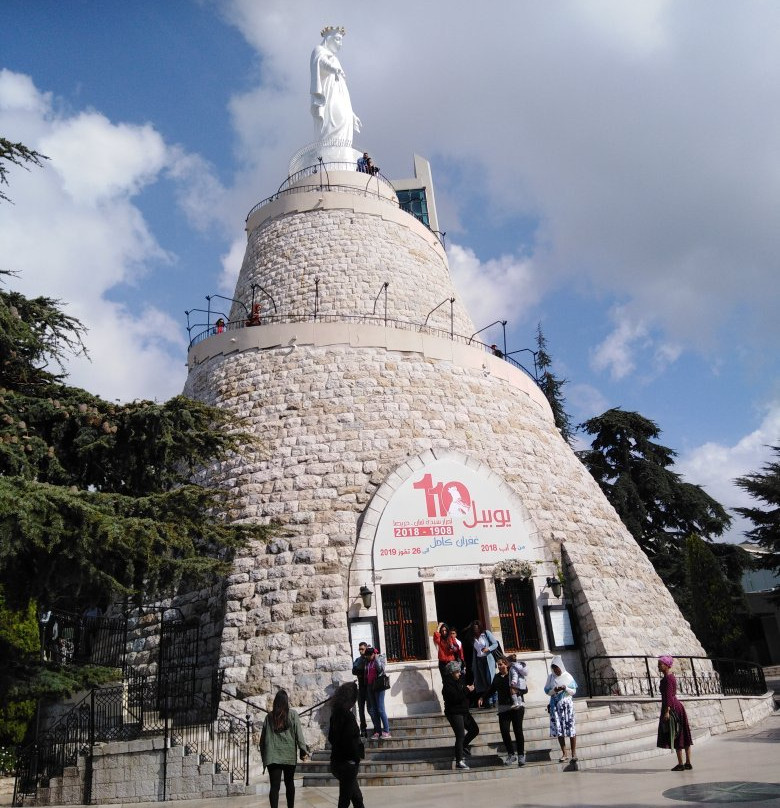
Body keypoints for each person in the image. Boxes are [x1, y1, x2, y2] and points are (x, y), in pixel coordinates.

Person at [310, 26, 361, 145]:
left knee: (345, 117)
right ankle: (327, 149)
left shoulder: (335, 59)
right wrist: (333, 69)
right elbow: (320, 62)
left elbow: (344, 92)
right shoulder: (319, 50)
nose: (340, 44)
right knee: (335, 119)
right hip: (329, 94)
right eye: (337, 39)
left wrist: (352, 113)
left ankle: (342, 151)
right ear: (329, 38)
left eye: (341, 40)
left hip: (340, 95)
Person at [259, 689, 309, 808]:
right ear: (286, 702)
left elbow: (262, 740)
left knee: (274, 787)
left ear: (275, 702)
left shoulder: (269, 717)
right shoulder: (293, 715)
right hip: (288, 756)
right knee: (289, 783)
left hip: (273, 756)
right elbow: (299, 734)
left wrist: (264, 756)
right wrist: (303, 750)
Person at [479, 656, 526, 766]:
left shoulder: (514, 674)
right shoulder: (497, 677)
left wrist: (517, 691)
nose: (499, 667)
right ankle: (511, 754)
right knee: (504, 731)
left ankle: (521, 755)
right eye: (498, 665)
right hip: (504, 708)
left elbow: (525, 689)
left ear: (507, 664)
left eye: (501, 664)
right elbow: (491, 689)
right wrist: (482, 698)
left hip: (517, 707)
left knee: (518, 731)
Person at [328, 682, 365, 808]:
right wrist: (355, 759)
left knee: (357, 798)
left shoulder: (335, 715)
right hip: (347, 764)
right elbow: (350, 740)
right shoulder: (348, 716)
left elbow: (331, 738)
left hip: (337, 761)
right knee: (344, 800)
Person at [656, 655, 693, 771]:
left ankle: (681, 763)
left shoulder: (667, 679)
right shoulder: (671, 677)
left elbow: (668, 696)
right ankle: (687, 762)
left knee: (675, 733)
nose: (659, 666)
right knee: (683, 733)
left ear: (667, 665)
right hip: (677, 706)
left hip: (672, 708)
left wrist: (667, 711)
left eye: (660, 664)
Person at [442, 660, 479, 770]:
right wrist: (467, 690)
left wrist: (469, 690)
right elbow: (456, 698)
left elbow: (463, 694)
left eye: (459, 671)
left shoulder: (460, 681)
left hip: (464, 711)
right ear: (451, 673)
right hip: (454, 713)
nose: (459, 673)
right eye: (457, 672)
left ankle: (462, 747)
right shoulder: (447, 686)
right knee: (460, 735)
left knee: (474, 729)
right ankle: (459, 761)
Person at [544, 655, 577, 766]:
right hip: (556, 706)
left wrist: (565, 688)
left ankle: (574, 753)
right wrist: (555, 689)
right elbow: (547, 691)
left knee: (571, 728)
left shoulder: (567, 676)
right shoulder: (551, 677)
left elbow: (573, 691)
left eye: (557, 668)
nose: (556, 671)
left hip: (567, 706)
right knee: (559, 730)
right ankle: (564, 753)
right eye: (554, 669)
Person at [469, 620, 498, 705]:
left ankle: (495, 699)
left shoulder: (486, 633)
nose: (476, 630)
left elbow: (495, 644)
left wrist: (488, 649)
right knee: (484, 680)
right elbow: (475, 651)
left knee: (490, 679)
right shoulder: (473, 638)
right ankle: (488, 700)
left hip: (488, 659)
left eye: (477, 628)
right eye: (474, 628)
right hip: (479, 660)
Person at [364, 646, 390, 739]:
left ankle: (386, 731)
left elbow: (380, 669)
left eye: (369, 655)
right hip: (370, 687)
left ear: (373, 654)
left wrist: (376, 659)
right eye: (366, 655)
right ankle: (378, 731)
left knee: (380, 709)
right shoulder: (367, 661)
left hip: (379, 686)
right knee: (374, 710)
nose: (367, 657)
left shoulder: (380, 658)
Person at [351, 642, 369, 737]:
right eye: (360, 649)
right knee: (361, 710)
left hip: (369, 688)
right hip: (361, 688)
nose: (361, 651)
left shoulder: (368, 659)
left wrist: (361, 671)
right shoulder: (358, 660)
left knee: (371, 709)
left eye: (362, 649)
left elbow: (366, 670)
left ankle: (377, 728)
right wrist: (361, 671)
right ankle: (363, 729)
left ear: (366, 649)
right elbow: (354, 670)